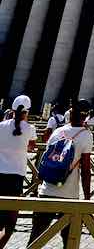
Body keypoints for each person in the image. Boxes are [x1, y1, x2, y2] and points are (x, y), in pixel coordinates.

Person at [28, 100, 93, 249]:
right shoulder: (86, 135)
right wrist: (88, 198)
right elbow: (85, 170)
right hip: (69, 194)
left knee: (36, 236)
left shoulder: (58, 131)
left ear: (70, 113)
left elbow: (45, 159)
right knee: (69, 238)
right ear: (86, 117)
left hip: (46, 190)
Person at [0, 95, 37, 249]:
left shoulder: (1, 126)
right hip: (16, 177)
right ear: (27, 112)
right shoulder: (30, 129)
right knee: (10, 224)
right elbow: (31, 147)